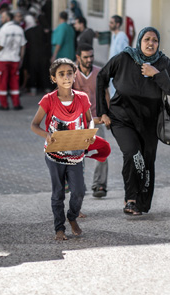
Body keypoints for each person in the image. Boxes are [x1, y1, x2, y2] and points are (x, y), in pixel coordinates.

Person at [97, 27, 170, 215]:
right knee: (132, 154)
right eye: (147, 39)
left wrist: (157, 74)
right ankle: (131, 199)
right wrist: (103, 111)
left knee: (147, 160)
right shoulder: (125, 58)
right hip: (122, 118)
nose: (151, 43)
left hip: (150, 122)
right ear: (140, 41)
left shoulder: (163, 62)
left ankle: (142, 202)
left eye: (155, 40)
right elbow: (102, 76)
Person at [30, 58, 93, 240]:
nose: (66, 77)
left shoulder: (82, 98)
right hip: (54, 155)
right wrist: (46, 135)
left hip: (76, 154)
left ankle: (72, 217)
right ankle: (59, 228)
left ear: (75, 75)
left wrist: (90, 132)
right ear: (53, 78)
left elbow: (89, 119)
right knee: (58, 193)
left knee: (79, 191)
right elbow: (34, 125)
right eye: (61, 74)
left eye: (69, 73)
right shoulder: (48, 100)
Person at [73, 43, 107, 198]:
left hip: (97, 120)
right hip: (77, 123)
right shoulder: (71, 74)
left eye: (91, 56)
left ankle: (99, 186)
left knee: (102, 152)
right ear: (78, 57)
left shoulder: (99, 73)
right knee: (77, 157)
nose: (89, 59)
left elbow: (106, 94)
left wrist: (108, 114)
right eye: (86, 57)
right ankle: (78, 187)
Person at [0, 11, 26, 111]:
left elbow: (1, 45)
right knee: (14, 81)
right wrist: (21, 57)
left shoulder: (3, 29)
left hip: (3, 59)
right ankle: (16, 104)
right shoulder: (19, 29)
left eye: (2, 17)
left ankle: (4, 105)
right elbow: (23, 45)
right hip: (15, 59)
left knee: (2, 81)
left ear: (8, 18)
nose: (1, 19)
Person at [107, 15, 129, 97]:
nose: (109, 24)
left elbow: (124, 55)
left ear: (118, 24)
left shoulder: (122, 36)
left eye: (112, 23)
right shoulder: (113, 35)